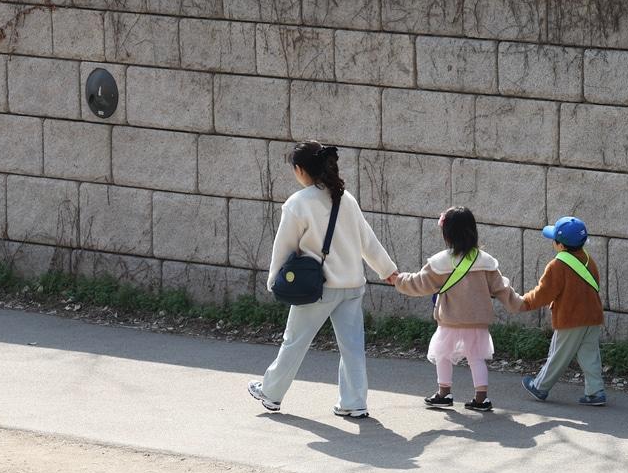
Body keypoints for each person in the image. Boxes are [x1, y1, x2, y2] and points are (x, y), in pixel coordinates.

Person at [248, 141, 397, 419]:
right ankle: (354, 402)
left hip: (318, 287)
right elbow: (367, 240)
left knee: (295, 341)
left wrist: (273, 280)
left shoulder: (298, 203)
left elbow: (284, 247)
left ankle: (271, 393)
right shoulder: (346, 199)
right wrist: (387, 269)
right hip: (352, 285)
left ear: (301, 170)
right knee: (352, 347)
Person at [391, 207, 523, 412]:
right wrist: (520, 303)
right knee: (476, 358)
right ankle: (481, 398)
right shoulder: (486, 262)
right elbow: (503, 290)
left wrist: (398, 280)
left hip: (450, 320)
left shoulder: (440, 262)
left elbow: (419, 283)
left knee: (442, 355)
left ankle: (444, 393)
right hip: (478, 321)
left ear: (447, 234)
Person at [517, 216, 607, 406]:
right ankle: (595, 391)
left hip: (570, 318)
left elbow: (543, 293)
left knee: (558, 354)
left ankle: (540, 386)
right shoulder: (589, 260)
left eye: (553, 240)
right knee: (590, 355)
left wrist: (525, 302)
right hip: (592, 315)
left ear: (560, 245)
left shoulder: (557, 265)